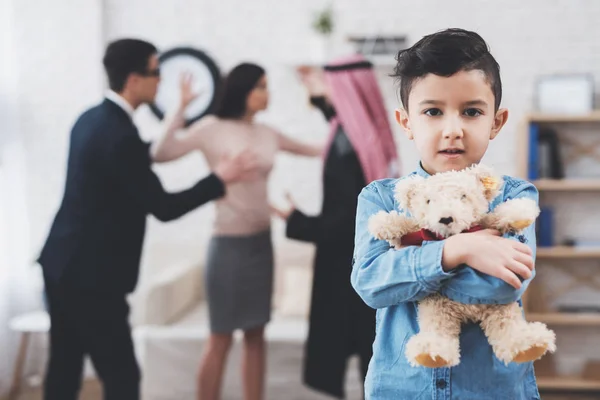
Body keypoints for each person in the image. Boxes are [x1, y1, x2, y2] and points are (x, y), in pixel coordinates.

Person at [37, 39, 256, 400]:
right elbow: (164, 207)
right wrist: (220, 178)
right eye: (156, 72)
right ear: (134, 79)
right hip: (92, 279)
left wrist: (181, 110)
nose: (160, 81)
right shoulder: (119, 135)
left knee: (63, 369)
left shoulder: (92, 119)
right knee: (122, 377)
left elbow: (143, 156)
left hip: (60, 264)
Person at [351, 28, 541, 399]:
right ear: (407, 122)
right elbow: (371, 283)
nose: (452, 130)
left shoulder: (513, 197)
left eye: (471, 112)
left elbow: (502, 286)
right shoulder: (382, 198)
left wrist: (408, 267)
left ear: (496, 122)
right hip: (402, 389)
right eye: (433, 112)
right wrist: (458, 252)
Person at [150, 62, 323, 400]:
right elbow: (160, 153)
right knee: (221, 338)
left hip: (261, 245)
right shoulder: (211, 128)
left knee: (256, 337)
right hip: (227, 248)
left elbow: (318, 150)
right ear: (242, 91)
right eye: (260, 86)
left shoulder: (268, 133)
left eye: (266, 85)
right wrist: (181, 107)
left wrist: (327, 101)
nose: (266, 92)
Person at [271, 54, 399, 398]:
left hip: (346, 266)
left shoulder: (347, 147)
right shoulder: (362, 136)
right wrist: (311, 83)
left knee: (359, 352)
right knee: (368, 354)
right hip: (365, 262)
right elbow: (332, 110)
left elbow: (346, 223)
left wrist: (296, 221)